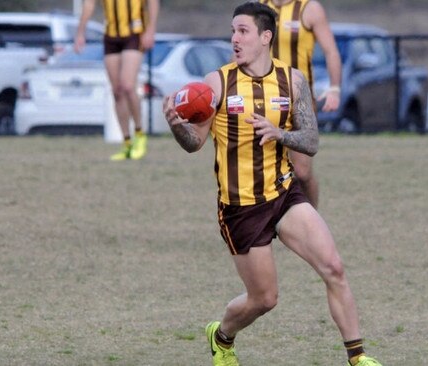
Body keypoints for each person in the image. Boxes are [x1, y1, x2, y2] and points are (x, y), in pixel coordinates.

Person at [162, 3, 382, 366]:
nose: (235, 38)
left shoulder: (293, 80)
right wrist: (175, 125)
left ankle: (358, 357)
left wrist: (279, 133)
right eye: (233, 30)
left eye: (243, 31)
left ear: (266, 37)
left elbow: (311, 141)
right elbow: (195, 143)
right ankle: (222, 336)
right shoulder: (217, 82)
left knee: (334, 268)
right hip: (241, 207)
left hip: (283, 194)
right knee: (264, 299)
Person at [258, 0, 343, 208]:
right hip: (263, 100)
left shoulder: (309, 8)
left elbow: (331, 51)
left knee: (302, 173)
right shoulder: (258, 6)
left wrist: (335, 89)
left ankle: (312, 220)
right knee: (262, 171)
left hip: (300, 102)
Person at [75, 0, 160, 161]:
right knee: (117, 91)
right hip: (111, 35)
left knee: (128, 86)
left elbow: (153, 2)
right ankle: (127, 142)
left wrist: (151, 29)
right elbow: (89, 4)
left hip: (135, 33)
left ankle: (140, 134)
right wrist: (80, 31)